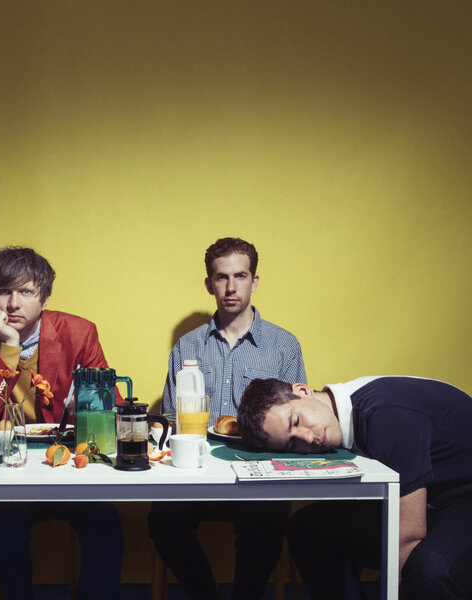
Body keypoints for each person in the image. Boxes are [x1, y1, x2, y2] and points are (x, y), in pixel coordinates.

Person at [0, 246, 124, 600]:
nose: (13, 304)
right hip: (7, 470)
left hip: (68, 465)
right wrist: (8, 347)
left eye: (26, 291)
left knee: (107, 527)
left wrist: (85, 404)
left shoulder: (79, 332)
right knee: (4, 536)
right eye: (3, 291)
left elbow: (112, 409)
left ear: (44, 298)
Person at [148, 237, 307, 600]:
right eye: (222, 277)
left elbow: (296, 424)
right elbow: (170, 419)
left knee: (264, 528)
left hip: (258, 472)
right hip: (196, 470)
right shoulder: (186, 346)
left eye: (240, 276)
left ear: (254, 281)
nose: (231, 287)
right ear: (209, 284)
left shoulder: (284, 346)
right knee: (162, 522)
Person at [238, 376, 472, 600]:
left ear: (303, 391)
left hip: (462, 499)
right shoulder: (343, 405)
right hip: (432, 498)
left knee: (430, 570)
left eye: (296, 421)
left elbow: (409, 535)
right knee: (306, 529)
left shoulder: (383, 413)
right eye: (292, 443)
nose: (307, 439)